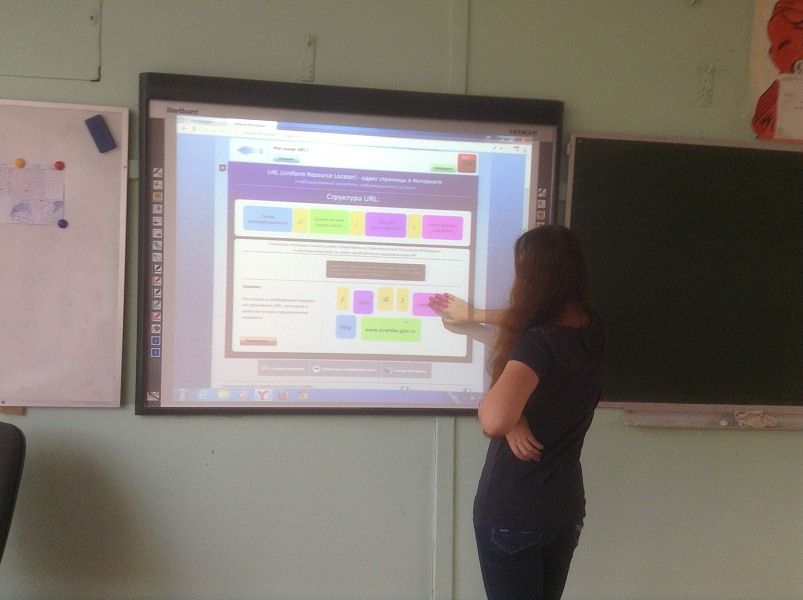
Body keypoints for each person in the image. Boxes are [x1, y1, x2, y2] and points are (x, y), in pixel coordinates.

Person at [428, 225, 605, 600]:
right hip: (564, 510)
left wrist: (510, 419)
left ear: (530, 279)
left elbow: (494, 420)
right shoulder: (593, 330)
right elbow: (528, 327)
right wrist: (473, 315)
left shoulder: (537, 343)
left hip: (513, 512)